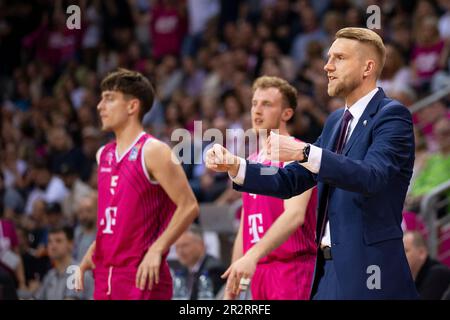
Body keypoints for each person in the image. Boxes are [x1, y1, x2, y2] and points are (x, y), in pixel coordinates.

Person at [206, 27, 418, 299]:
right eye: (329, 58)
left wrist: (305, 152)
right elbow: (290, 180)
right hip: (327, 271)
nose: (327, 66)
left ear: (368, 67)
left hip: (370, 268)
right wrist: (235, 165)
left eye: (339, 58)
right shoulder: (334, 123)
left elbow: (372, 176)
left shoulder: (392, 116)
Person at [76, 68, 199, 300]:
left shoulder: (154, 150)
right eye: (101, 98)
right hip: (105, 274)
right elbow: (112, 215)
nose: (100, 106)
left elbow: (189, 206)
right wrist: (95, 248)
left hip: (141, 275)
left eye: (109, 99)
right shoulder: (103, 154)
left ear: (132, 106)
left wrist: (157, 248)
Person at [221, 76, 317, 300]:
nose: (257, 110)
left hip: (292, 268)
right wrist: (234, 279)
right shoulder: (251, 161)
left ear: (287, 114)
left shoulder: (299, 152)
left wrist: (252, 256)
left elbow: (294, 216)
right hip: (258, 270)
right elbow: (245, 225)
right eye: (254, 103)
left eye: (267, 104)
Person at [33, 227, 93, 300]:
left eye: (58, 241)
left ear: (71, 244)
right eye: (49, 241)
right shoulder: (50, 275)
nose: (53, 246)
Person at [174, 224, 226, 299]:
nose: (180, 251)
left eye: (185, 245)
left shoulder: (214, 270)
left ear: (201, 245)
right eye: (177, 247)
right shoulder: (182, 271)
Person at [403, 231, 450, 300]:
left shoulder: (438, 274)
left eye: (405, 251)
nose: (400, 256)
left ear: (422, 253)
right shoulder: (413, 280)